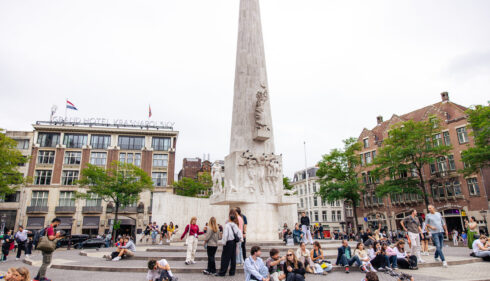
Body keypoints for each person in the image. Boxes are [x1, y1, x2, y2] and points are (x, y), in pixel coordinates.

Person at [216, 209, 243, 277]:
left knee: (225, 258)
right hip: (234, 243)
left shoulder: (227, 225)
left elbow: (225, 236)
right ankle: (232, 272)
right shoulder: (235, 225)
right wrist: (240, 240)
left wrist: (223, 243)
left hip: (228, 243)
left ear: (229, 218)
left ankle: (222, 272)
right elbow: (239, 234)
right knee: (233, 258)